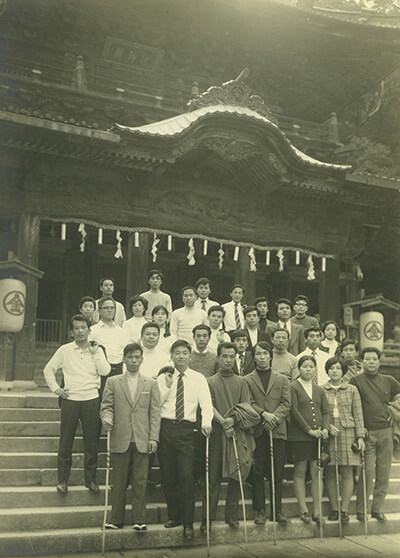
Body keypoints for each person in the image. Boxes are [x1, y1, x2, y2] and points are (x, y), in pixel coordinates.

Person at [43, 314, 110, 494]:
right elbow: (48, 369)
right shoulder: (64, 350)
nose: (80, 331)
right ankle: (62, 480)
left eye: (83, 328)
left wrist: (95, 354)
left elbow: (105, 371)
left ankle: (91, 480)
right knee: (66, 442)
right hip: (70, 400)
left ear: (89, 330)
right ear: (71, 332)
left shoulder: (97, 349)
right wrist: (57, 389)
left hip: (91, 400)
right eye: (77, 328)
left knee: (91, 442)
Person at [100, 343, 161, 530]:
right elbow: (106, 406)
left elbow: (155, 413)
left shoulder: (151, 383)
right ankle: (115, 519)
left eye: (137, 357)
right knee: (118, 482)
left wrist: (154, 438)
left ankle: (139, 519)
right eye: (130, 357)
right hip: (121, 437)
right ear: (124, 359)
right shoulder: (113, 381)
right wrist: (107, 418)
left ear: (142, 359)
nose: (134, 360)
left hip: (142, 439)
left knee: (140, 481)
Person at [157, 340, 213, 540]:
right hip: (165, 429)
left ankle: (188, 522)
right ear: (171, 356)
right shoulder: (164, 376)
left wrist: (207, 422)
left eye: (184, 353)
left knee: (186, 476)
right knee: (168, 475)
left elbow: (206, 404)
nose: (180, 356)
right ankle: (175, 516)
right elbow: (157, 403)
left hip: (187, 430)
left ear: (190, 356)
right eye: (177, 353)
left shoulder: (198, 378)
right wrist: (167, 386)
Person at [201, 342, 258, 531]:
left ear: (235, 358)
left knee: (237, 474)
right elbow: (207, 404)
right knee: (213, 476)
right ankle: (207, 518)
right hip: (217, 433)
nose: (227, 360)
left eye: (231, 356)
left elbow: (246, 406)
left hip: (237, 432)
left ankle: (232, 515)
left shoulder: (242, 382)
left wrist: (232, 421)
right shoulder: (209, 381)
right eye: (224, 356)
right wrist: (223, 422)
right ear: (218, 357)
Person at [349, 347, 400, 522]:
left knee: (383, 472)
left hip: (386, 431)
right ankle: (361, 511)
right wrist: (359, 430)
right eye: (367, 359)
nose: (371, 362)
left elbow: (398, 397)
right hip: (366, 432)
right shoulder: (355, 381)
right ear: (361, 361)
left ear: (379, 361)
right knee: (367, 472)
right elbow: (352, 406)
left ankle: (377, 509)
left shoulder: (390, 380)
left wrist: (393, 408)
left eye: (374, 359)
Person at [245, 342, 291, 524]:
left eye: (265, 353)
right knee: (257, 471)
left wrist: (274, 418)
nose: (262, 357)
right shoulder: (247, 379)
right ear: (254, 357)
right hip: (257, 430)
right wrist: (264, 414)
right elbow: (247, 402)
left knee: (277, 472)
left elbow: (287, 403)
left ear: (270, 356)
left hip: (277, 430)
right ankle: (260, 511)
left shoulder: (282, 379)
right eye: (258, 354)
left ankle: (277, 511)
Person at [322, 357, 365, 525]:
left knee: (347, 473)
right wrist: (327, 426)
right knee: (331, 472)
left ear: (343, 371)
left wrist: (360, 436)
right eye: (331, 368)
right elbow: (319, 413)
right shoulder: (321, 389)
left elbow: (358, 413)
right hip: (329, 433)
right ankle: (334, 508)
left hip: (348, 432)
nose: (335, 371)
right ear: (327, 371)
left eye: (338, 368)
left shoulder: (352, 389)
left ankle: (345, 510)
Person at [287, 355, 329, 525]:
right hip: (300, 437)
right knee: (300, 472)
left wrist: (325, 428)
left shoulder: (319, 389)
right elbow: (294, 411)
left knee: (317, 473)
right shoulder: (293, 387)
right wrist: (309, 430)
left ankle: (317, 512)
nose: (308, 369)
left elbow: (325, 411)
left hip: (318, 437)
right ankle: (303, 509)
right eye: (305, 366)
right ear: (299, 368)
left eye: (311, 366)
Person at [90, 296, 129, 377]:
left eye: (112, 308)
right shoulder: (92, 331)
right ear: (99, 311)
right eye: (106, 308)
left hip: (120, 370)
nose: (110, 310)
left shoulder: (121, 331)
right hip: (100, 372)